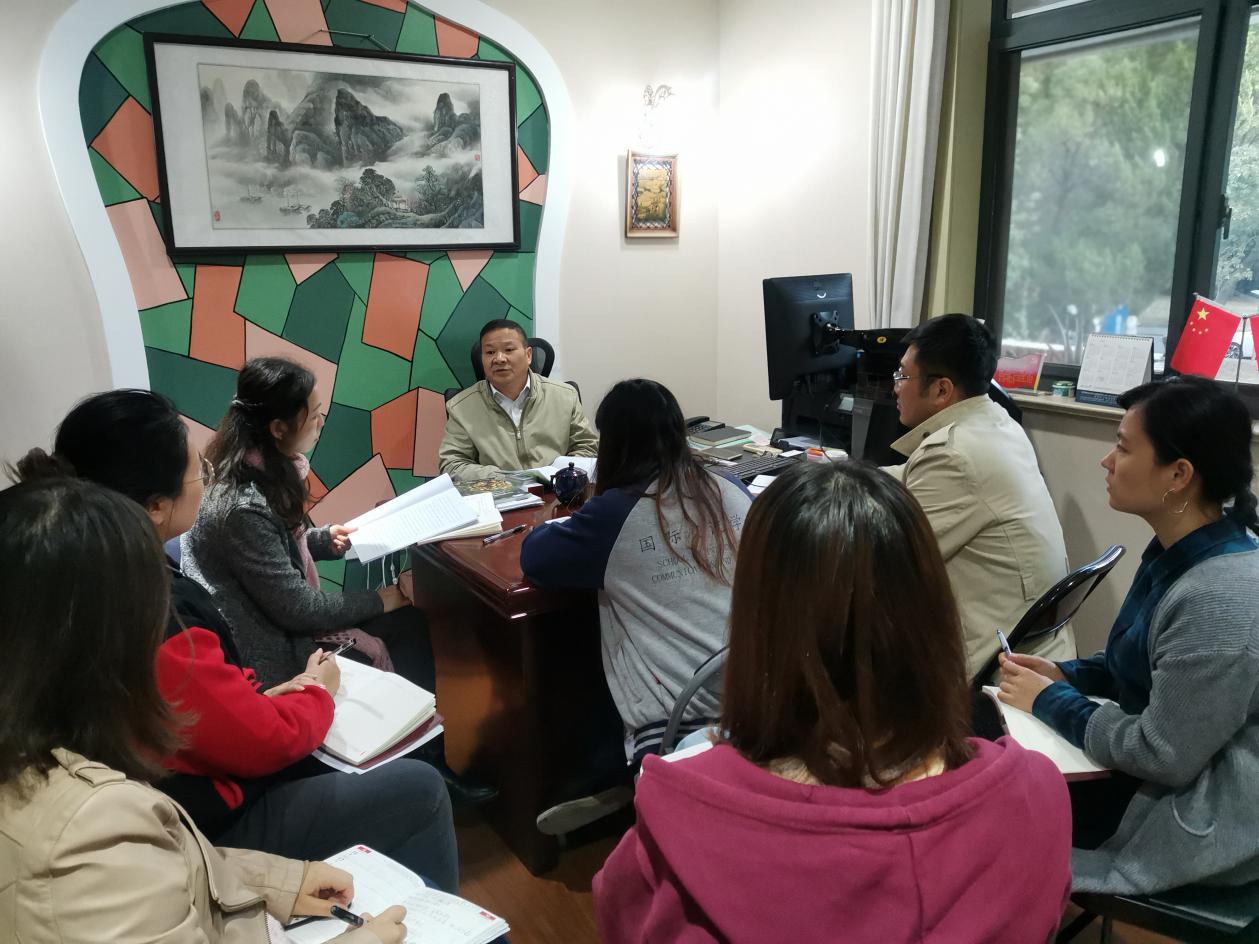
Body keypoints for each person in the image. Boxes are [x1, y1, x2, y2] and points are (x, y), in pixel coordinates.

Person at [592, 461, 1071, 942]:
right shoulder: (1036, 798)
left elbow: (620, 913)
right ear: (932, 613)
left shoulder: (677, 824)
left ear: (759, 620)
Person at [13, 389, 459, 891]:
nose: (320, 425)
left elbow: (283, 554)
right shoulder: (151, 610)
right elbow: (262, 724)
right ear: (156, 506)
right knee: (418, 786)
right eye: (195, 471)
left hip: (195, 764)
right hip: (205, 823)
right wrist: (317, 690)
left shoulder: (73, 576)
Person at [0, 475, 409, 944]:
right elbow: (260, 740)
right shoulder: (91, 825)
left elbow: (171, 862)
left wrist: (279, 882)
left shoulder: (53, 752)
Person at [183, 357, 495, 806]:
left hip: (278, 619)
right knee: (403, 623)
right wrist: (383, 598)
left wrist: (322, 540)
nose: (321, 423)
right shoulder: (241, 505)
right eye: (314, 415)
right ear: (278, 427)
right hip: (269, 648)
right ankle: (418, 768)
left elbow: (275, 551)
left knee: (405, 623)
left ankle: (423, 760)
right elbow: (297, 608)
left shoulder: (264, 470)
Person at [998, 375, 1259, 895]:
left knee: (983, 806)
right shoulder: (1181, 551)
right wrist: (1066, 675)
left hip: (1190, 815)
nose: (1106, 461)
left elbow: (1163, 753)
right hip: (1154, 774)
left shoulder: (1219, 596)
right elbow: (1140, 665)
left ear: (1179, 474)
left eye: (1122, 447)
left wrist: (1051, 701)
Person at [522, 379, 751, 762]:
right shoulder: (728, 486)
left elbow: (534, 557)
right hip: (758, 698)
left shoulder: (615, 513)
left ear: (615, 445)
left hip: (680, 722)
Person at [884, 313, 1073, 679]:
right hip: (1035, 644)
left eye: (903, 376)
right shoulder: (995, 422)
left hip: (996, 669)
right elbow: (909, 476)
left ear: (941, 390)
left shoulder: (954, 455)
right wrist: (838, 476)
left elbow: (888, 560)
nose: (895, 387)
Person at [439, 319, 597, 482]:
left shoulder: (565, 396)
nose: (499, 359)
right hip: (498, 493)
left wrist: (562, 476)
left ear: (528, 355)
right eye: (490, 352)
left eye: (508, 350)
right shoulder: (461, 407)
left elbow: (588, 447)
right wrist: (507, 479)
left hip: (559, 492)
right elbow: (452, 465)